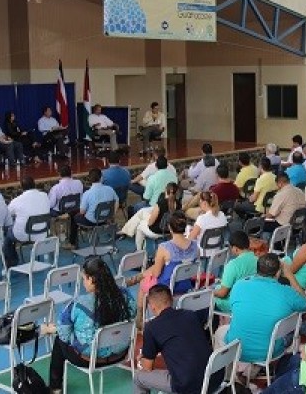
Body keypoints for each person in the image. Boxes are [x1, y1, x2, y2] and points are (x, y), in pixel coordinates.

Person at [42, 258, 135, 391]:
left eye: (84, 278)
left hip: (91, 359)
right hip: (121, 353)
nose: (83, 282)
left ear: (91, 279)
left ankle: (55, 388)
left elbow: (65, 336)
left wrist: (54, 329)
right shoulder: (125, 296)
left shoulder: (78, 304)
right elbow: (132, 316)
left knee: (59, 341)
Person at [214, 253, 306, 365]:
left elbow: (233, 308)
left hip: (237, 349)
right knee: (291, 336)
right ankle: (247, 370)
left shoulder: (239, 286)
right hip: (269, 352)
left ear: (257, 269)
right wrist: (290, 275)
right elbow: (305, 304)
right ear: (278, 272)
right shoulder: (287, 292)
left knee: (220, 332)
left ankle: (227, 373)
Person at [134, 284, 218, 394]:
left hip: (189, 385)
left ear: (151, 306)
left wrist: (142, 358)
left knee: (139, 378)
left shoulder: (151, 327)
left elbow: (147, 367)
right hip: (215, 378)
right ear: (171, 300)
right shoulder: (190, 314)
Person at [4, 176, 50, 267]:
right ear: (34, 184)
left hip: (24, 235)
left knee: (7, 238)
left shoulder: (17, 200)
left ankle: (12, 262)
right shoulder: (45, 196)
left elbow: (7, 213)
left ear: (21, 187)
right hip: (43, 232)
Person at [213, 231, 258, 313]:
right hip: (251, 298)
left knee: (209, 296)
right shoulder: (257, 259)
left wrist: (211, 292)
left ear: (235, 248)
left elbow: (222, 293)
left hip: (233, 303)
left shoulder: (233, 265)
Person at [71, 168, 117, 246]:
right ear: (101, 177)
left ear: (89, 179)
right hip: (105, 219)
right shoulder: (110, 189)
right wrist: (111, 215)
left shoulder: (87, 193)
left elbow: (82, 212)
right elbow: (117, 202)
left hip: (92, 221)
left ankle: (72, 243)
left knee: (74, 216)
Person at [187, 192, 227, 257]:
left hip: (202, 252)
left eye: (200, 202)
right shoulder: (222, 215)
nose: (199, 204)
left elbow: (191, 238)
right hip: (217, 250)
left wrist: (190, 232)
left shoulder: (202, 218)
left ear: (205, 203)